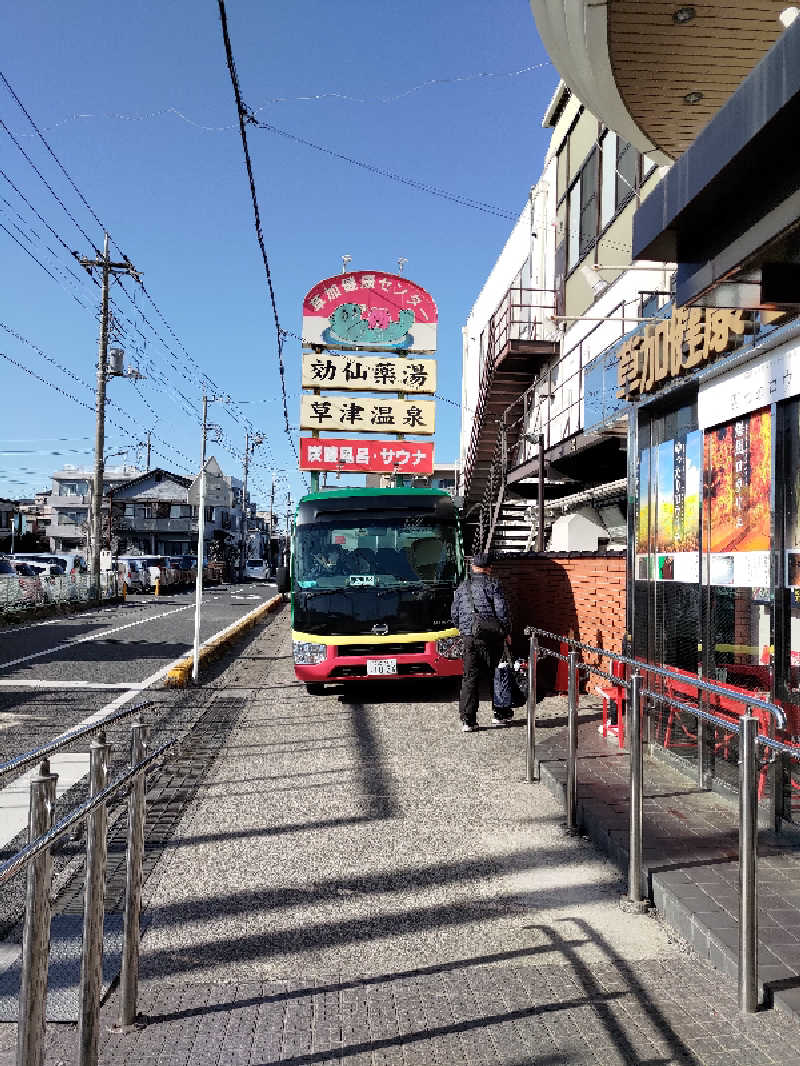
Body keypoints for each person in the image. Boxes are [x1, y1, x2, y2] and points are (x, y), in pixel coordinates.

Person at [451, 551, 512, 731]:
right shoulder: (494, 584)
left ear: (472, 567)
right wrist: (506, 632)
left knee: (470, 678)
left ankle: (468, 721)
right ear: (489, 568)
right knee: (497, 674)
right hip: (492, 636)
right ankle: (499, 714)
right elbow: (502, 611)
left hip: (470, 636)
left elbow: (455, 614)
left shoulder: (462, 587)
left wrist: (464, 630)